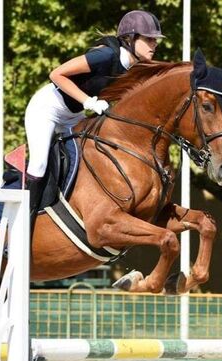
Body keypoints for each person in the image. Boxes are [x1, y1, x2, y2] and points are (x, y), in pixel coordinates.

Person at [24, 10, 165, 230]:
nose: (154, 44)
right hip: (48, 109)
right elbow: (56, 74)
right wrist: (89, 101)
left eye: (155, 40)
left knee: (89, 159)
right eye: (148, 39)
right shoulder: (105, 56)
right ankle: (24, 225)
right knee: (39, 164)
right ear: (130, 38)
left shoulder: (133, 68)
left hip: (74, 116)